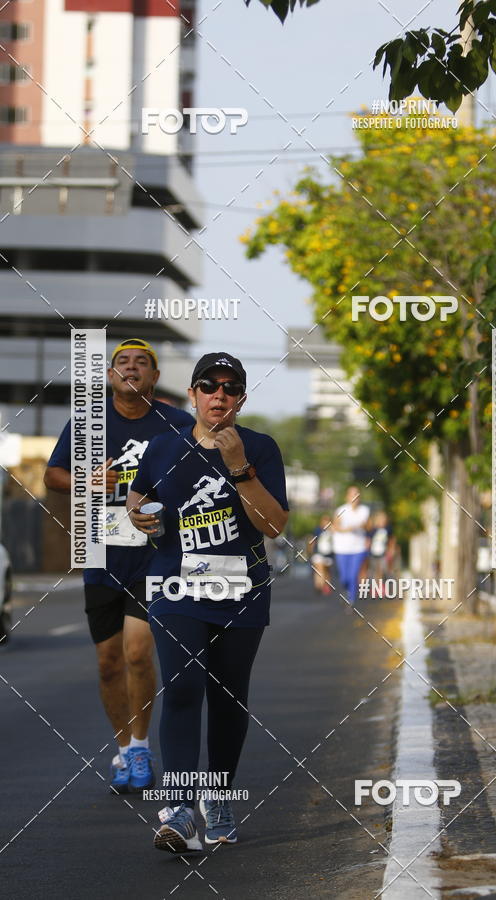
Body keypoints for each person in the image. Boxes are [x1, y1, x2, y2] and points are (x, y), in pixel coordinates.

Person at [127, 351, 288, 854]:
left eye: (229, 387)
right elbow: (138, 495)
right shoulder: (160, 447)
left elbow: (275, 524)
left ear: (240, 397)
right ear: (193, 394)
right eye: (208, 385)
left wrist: (238, 465)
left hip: (241, 590)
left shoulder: (260, 447)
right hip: (176, 588)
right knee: (181, 686)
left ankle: (217, 796)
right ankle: (178, 808)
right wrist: (138, 515)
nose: (219, 394)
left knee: (228, 695)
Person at [44, 338, 194, 794]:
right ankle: (125, 749)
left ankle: (144, 746)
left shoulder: (177, 423)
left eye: (142, 363)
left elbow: (200, 474)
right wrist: (85, 481)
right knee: (109, 663)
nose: (131, 367)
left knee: (136, 652)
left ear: (153, 377)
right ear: (111, 375)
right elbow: (51, 476)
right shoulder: (88, 424)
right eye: (122, 362)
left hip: (156, 553)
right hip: (100, 552)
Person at [332, 486, 370, 606]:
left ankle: (351, 600)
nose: (355, 497)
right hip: (341, 548)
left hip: (358, 548)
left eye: (357, 494)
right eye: (352, 494)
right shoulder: (341, 510)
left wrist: (361, 526)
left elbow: (368, 526)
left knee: (353, 575)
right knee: (344, 577)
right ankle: (346, 590)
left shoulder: (364, 510)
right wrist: (347, 529)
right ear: (347, 497)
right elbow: (335, 527)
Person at [309, 514, 334, 594]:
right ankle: (319, 586)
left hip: (329, 554)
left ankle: (325, 585)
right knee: (319, 569)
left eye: (327, 521)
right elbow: (312, 541)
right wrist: (311, 551)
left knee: (327, 570)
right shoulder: (317, 530)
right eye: (324, 520)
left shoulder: (332, 530)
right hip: (318, 553)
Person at [368, 511, 395, 581]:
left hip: (384, 553)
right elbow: (369, 540)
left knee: (383, 569)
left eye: (384, 520)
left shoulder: (388, 529)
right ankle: (375, 586)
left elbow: (391, 539)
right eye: (381, 520)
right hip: (373, 553)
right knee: (374, 570)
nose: (382, 522)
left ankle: (381, 584)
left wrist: (391, 549)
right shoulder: (373, 530)